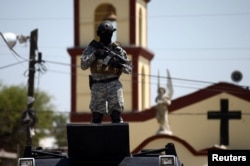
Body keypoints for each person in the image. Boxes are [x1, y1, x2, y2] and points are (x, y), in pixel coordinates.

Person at [80, 21, 132, 123]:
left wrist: (119, 65)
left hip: (113, 84)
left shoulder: (117, 50)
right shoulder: (92, 48)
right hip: (98, 85)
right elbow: (83, 65)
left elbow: (129, 69)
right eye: (105, 34)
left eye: (110, 34)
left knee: (116, 116)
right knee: (96, 117)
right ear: (99, 34)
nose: (108, 36)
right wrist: (95, 55)